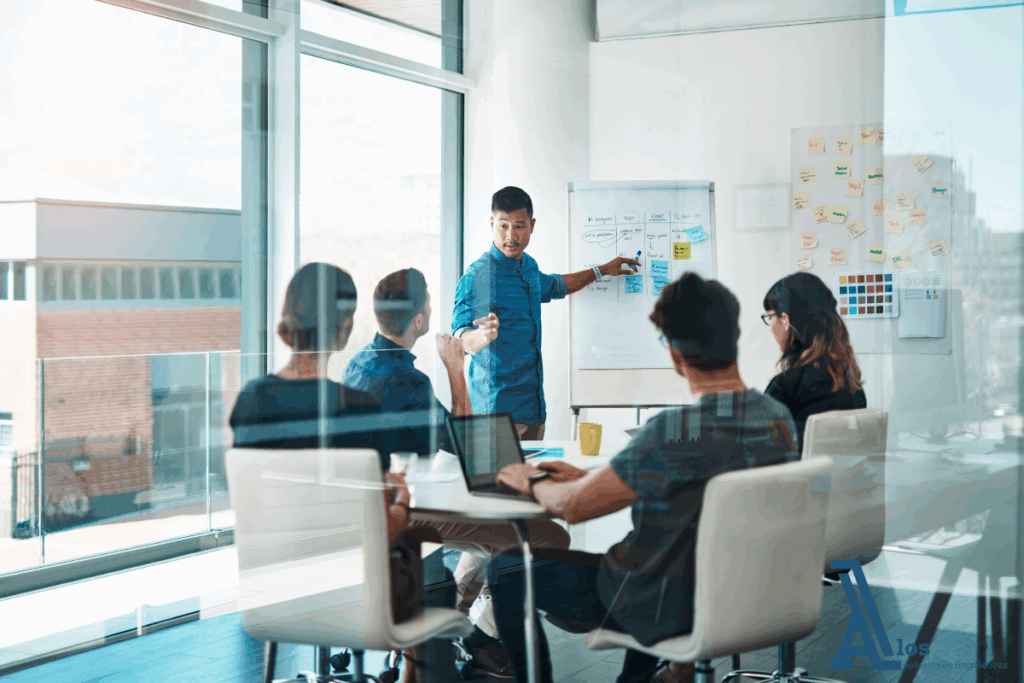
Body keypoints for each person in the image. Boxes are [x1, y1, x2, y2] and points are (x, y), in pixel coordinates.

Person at [486, 273, 800, 683]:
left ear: (673, 353)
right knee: (660, 559)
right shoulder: (776, 417)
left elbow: (573, 507)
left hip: (660, 598)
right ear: (737, 334)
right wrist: (591, 476)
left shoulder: (672, 431)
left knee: (507, 569)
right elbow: (693, 485)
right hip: (747, 591)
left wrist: (531, 480)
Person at [229, 263, 453, 683]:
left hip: (272, 592)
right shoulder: (355, 409)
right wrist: (402, 501)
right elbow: (380, 527)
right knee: (433, 566)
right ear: (346, 326)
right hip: (353, 595)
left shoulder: (250, 401)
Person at [342, 267, 570, 677]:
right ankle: (479, 635)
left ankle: (446, 637)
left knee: (495, 536)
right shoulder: (405, 381)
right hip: (406, 513)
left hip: (372, 512)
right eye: (428, 303)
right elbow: (463, 442)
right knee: (546, 536)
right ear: (417, 321)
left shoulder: (360, 364)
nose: (432, 308)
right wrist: (455, 368)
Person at [452, 186, 641, 439]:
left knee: (535, 479)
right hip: (494, 415)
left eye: (519, 226)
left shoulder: (528, 267)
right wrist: (480, 337)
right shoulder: (477, 276)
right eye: (503, 225)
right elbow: (461, 340)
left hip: (533, 411)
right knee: (497, 480)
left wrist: (603, 270)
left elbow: (556, 285)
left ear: (531, 225)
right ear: (491, 223)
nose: (511, 235)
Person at [762, 271, 867, 452]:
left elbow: (763, 452)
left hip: (799, 480)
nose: (770, 325)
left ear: (785, 320)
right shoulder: (851, 382)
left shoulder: (785, 387)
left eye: (770, 316)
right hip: (843, 479)